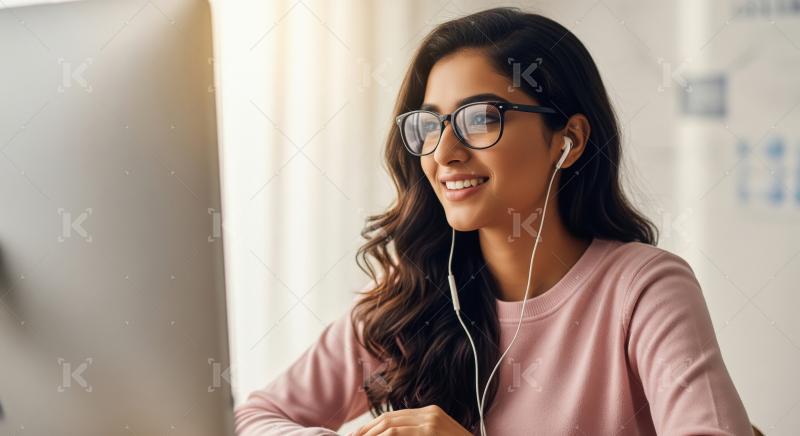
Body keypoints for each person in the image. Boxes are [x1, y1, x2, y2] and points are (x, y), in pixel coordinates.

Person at [234, 7, 753, 435]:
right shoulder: (409, 301)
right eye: (430, 125)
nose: (445, 152)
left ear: (567, 140)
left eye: (481, 118)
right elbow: (254, 419)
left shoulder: (644, 288)